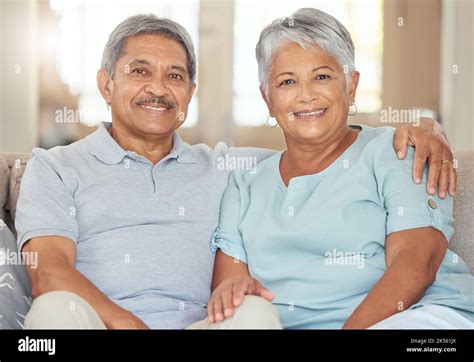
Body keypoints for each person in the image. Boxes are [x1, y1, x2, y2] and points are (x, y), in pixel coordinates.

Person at [16, 13, 456, 329]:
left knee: (251, 312)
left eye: (175, 75)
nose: (158, 87)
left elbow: (319, 151)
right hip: (98, 325)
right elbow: (49, 272)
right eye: (139, 71)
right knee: (53, 311)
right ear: (106, 85)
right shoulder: (54, 167)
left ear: (190, 93)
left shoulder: (229, 167)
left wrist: (422, 126)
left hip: (205, 327)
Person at [208, 8, 473, 329]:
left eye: (322, 76)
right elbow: (231, 295)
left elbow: (416, 266)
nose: (306, 95)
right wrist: (238, 293)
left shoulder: (400, 150)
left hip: (418, 318)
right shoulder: (243, 185)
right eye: (287, 81)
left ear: (351, 86)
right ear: (267, 98)